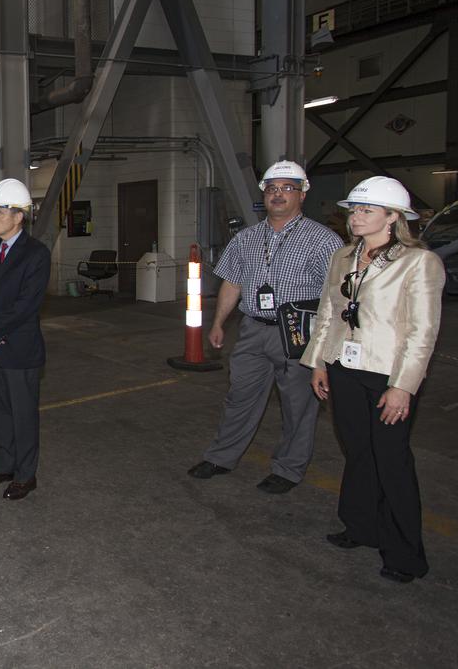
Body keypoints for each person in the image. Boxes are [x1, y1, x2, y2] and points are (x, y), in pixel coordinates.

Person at [302, 176, 444, 583]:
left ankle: (404, 553)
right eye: (354, 209)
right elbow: (330, 313)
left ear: (393, 217)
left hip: (388, 374)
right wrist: (318, 363)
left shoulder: (419, 262)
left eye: (366, 210)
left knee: (392, 460)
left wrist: (403, 386)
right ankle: (360, 526)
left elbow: (423, 331)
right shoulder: (344, 256)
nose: (355, 216)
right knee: (358, 452)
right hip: (344, 369)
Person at [187, 161, 342, 493]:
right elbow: (232, 282)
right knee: (239, 397)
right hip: (253, 330)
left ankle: (288, 469)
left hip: (298, 332)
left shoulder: (323, 240)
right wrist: (219, 323)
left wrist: (325, 343)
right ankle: (221, 457)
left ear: (302, 194)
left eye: (287, 188)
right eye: (272, 188)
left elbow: (335, 296)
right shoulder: (247, 238)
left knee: (298, 404)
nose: (278, 195)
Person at [0, 178, 50, 501]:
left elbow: (26, 305)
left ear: (18, 216)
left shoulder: (36, 254)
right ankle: (3, 465)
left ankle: (25, 475)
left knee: (23, 414)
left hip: (18, 349)